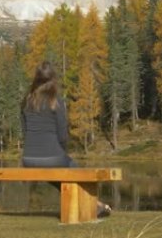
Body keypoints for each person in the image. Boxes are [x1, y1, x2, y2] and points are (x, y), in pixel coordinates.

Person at [21, 61, 111, 217]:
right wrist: (61, 152)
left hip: (28, 159)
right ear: (53, 80)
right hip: (52, 156)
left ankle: (96, 205)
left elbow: (25, 132)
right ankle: (93, 205)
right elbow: (63, 136)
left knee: (60, 172)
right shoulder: (56, 102)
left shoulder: (25, 102)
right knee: (72, 167)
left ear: (35, 79)